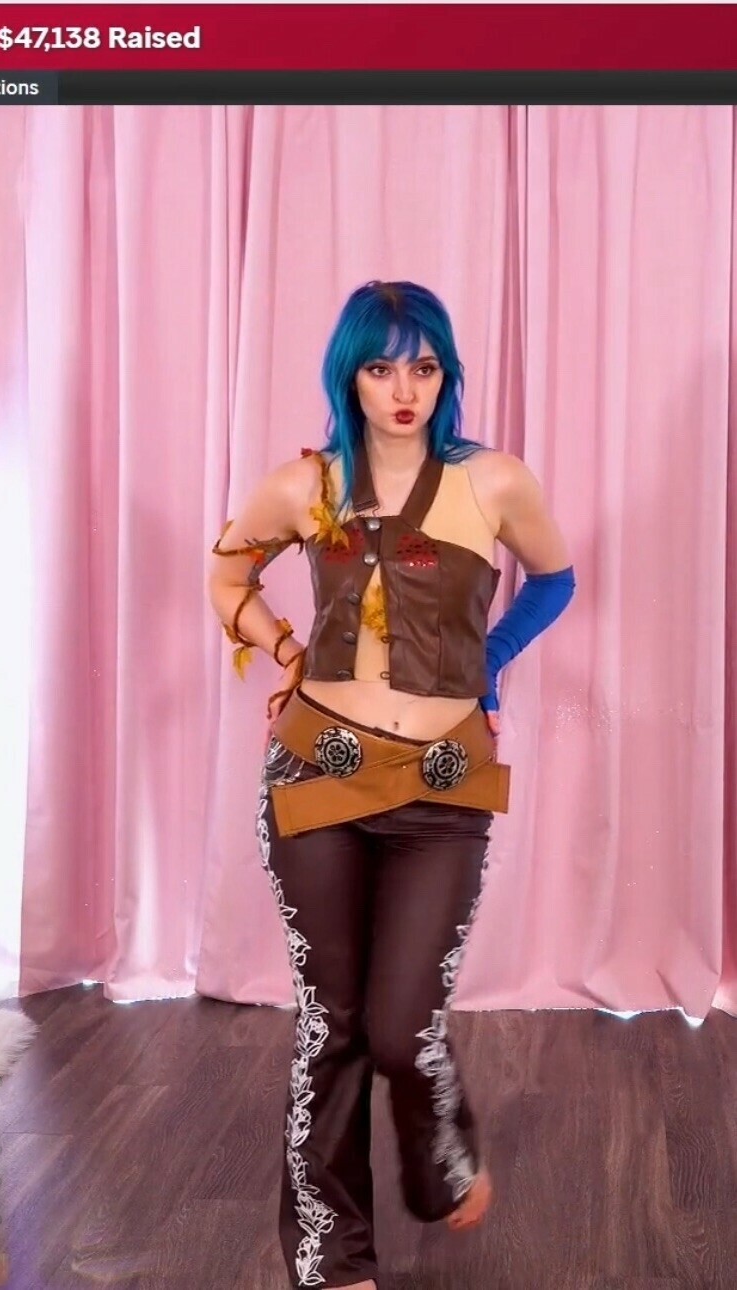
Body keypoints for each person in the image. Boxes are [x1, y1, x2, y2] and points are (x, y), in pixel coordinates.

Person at [208, 280, 575, 1290]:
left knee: (402, 1026)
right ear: (350, 377)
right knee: (329, 1025)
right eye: (380, 368)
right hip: (315, 774)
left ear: (446, 374)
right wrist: (284, 647)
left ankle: (440, 1156)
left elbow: (554, 579)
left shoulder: (494, 481)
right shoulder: (305, 485)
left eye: (423, 366)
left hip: (442, 787)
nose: (404, 389)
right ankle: (332, 1257)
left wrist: (487, 660)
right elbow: (228, 577)